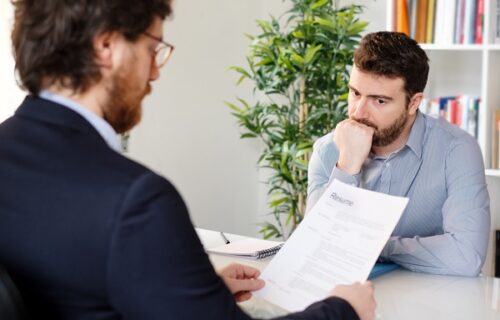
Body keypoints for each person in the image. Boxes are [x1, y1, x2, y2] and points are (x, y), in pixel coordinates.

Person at [0, 1, 376, 319]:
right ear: (106, 46)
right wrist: (343, 309)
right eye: (152, 49)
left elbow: (77, 284)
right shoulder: (138, 201)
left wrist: (192, 291)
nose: (155, 71)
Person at [307, 31, 490, 277]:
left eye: (379, 101)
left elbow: (466, 257)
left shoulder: (456, 150)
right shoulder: (329, 150)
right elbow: (313, 247)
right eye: (355, 93)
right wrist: (347, 166)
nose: (358, 112)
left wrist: (377, 244)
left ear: (414, 103)